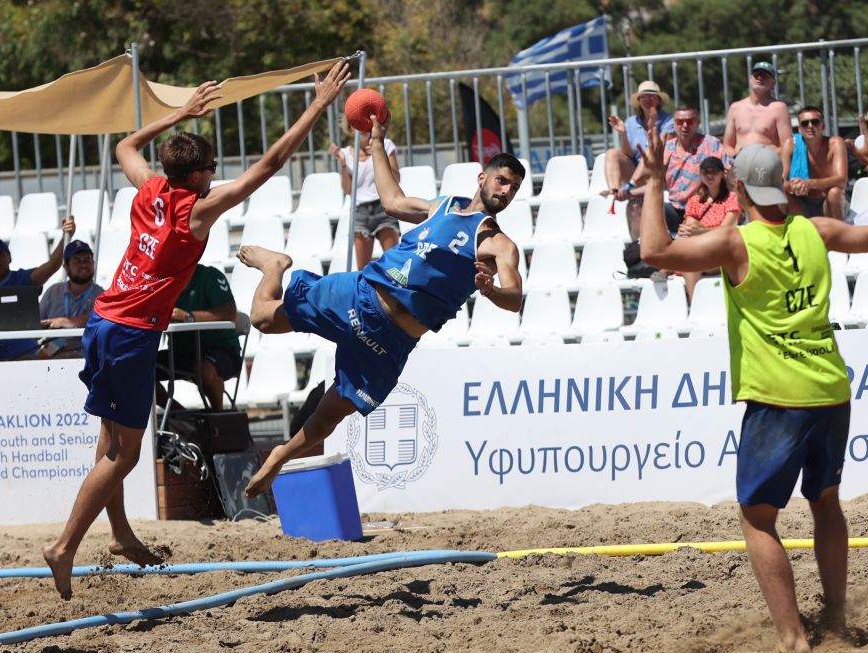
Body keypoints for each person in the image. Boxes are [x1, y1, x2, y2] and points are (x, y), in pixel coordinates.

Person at [42, 59, 352, 601]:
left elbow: (124, 148)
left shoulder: (150, 188)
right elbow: (271, 164)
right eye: (211, 166)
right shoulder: (196, 211)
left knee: (109, 439)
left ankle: (119, 534)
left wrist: (178, 113)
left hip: (103, 322)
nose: (216, 172)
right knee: (125, 456)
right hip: (132, 332)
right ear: (201, 173)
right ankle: (64, 546)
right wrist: (318, 105)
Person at [639, 112, 868, 653]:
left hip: (778, 398)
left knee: (759, 517)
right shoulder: (816, 230)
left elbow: (653, 253)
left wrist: (658, 180)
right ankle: (835, 616)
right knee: (825, 501)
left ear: (738, 186)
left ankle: (793, 639)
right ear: (780, 186)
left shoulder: (736, 243)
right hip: (830, 387)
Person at [238, 113, 525, 499]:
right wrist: (376, 143)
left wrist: (490, 290)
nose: (506, 191)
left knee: (332, 413)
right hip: (361, 296)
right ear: (483, 178)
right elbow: (390, 201)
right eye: (502, 180)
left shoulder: (499, 244)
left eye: (514, 188)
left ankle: (278, 458)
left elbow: (516, 298)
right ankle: (275, 265)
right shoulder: (441, 207)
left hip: (391, 342)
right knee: (261, 319)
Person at [623, 105, 727, 237]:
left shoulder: (711, 144)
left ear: (697, 123)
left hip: (703, 208)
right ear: (674, 124)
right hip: (675, 209)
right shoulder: (667, 147)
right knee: (635, 207)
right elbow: (658, 184)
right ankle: (639, 251)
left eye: (689, 121)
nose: (684, 125)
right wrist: (629, 192)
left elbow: (726, 176)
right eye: (679, 121)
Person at [155, 263, 241, 411]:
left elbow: (230, 313)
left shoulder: (210, 276)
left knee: (205, 369)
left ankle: (217, 420)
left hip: (223, 351)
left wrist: (188, 317)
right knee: (137, 368)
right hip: (181, 353)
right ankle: (185, 420)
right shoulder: (161, 283)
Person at [0, 218, 75, 361]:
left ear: (9, 257)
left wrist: (66, 236)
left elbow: (52, 266)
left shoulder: (23, 279)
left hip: (25, 355)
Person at [330, 124, 401, 270]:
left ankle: (394, 293)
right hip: (360, 212)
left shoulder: (385, 145)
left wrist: (379, 153)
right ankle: (368, 293)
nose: (362, 129)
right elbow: (349, 190)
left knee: (394, 266)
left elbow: (396, 178)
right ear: (350, 129)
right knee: (363, 269)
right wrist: (343, 164)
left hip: (384, 208)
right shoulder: (345, 153)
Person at [676, 156, 742, 298]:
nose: (710, 175)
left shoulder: (732, 198)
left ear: (722, 174)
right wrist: (696, 230)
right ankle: (695, 307)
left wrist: (700, 231)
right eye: (706, 172)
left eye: (714, 172)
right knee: (689, 230)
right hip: (698, 250)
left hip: (719, 250)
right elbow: (689, 227)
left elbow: (726, 230)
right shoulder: (694, 200)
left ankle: (667, 267)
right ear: (701, 175)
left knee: (690, 258)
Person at [603, 81, 675, 199]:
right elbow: (627, 154)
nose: (647, 100)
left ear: (659, 100)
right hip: (635, 176)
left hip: (658, 173)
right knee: (612, 153)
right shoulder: (631, 122)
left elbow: (657, 149)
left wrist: (652, 126)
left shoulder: (669, 121)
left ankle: (627, 188)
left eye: (652, 96)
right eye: (643, 97)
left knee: (649, 152)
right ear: (639, 101)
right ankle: (614, 192)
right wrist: (623, 134)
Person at [36, 238, 104, 359]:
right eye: (77, 261)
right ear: (66, 267)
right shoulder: (53, 291)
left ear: (93, 263)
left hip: (85, 351)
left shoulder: (102, 295)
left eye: (87, 260)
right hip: (51, 350)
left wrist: (65, 322)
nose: (83, 265)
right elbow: (36, 322)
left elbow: (97, 321)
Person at [780, 106, 848, 219]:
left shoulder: (835, 143)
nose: (810, 126)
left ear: (823, 126)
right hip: (801, 202)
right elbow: (781, 182)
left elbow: (842, 181)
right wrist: (796, 186)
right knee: (781, 195)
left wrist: (809, 183)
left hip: (828, 202)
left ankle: (838, 234)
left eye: (815, 122)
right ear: (800, 129)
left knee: (835, 192)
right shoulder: (791, 145)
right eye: (805, 123)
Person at [723, 61, 792, 157]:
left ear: (773, 83)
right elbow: (727, 145)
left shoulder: (779, 108)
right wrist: (736, 156)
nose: (760, 78)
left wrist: (762, 156)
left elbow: (787, 145)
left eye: (765, 76)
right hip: (740, 165)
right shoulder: (735, 108)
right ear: (750, 79)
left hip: (768, 165)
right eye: (756, 75)